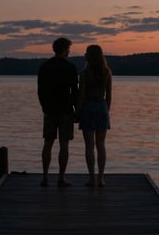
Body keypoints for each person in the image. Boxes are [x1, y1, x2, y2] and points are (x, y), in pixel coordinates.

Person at [37, 37, 78, 188]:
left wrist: (44, 107)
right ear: (64, 49)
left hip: (50, 109)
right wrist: (75, 109)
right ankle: (61, 177)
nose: (69, 51)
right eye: (68, 49)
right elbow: (75, 92)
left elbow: (40, 90)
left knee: (48, 143)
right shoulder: (71, 68)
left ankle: (45, 176)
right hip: (66, 109)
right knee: (64, 144)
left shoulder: (45, 66)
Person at [77, 44, 112, 187]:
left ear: (89, 56)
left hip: (88, 107)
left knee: (89, 146)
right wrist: (106, 110)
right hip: (101, 106)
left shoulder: (84, 74)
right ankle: (101, 178)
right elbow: (109, 95)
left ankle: (91, 178)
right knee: (101, 145)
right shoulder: (107, 72)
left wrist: (77, 112)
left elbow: (81, 95)